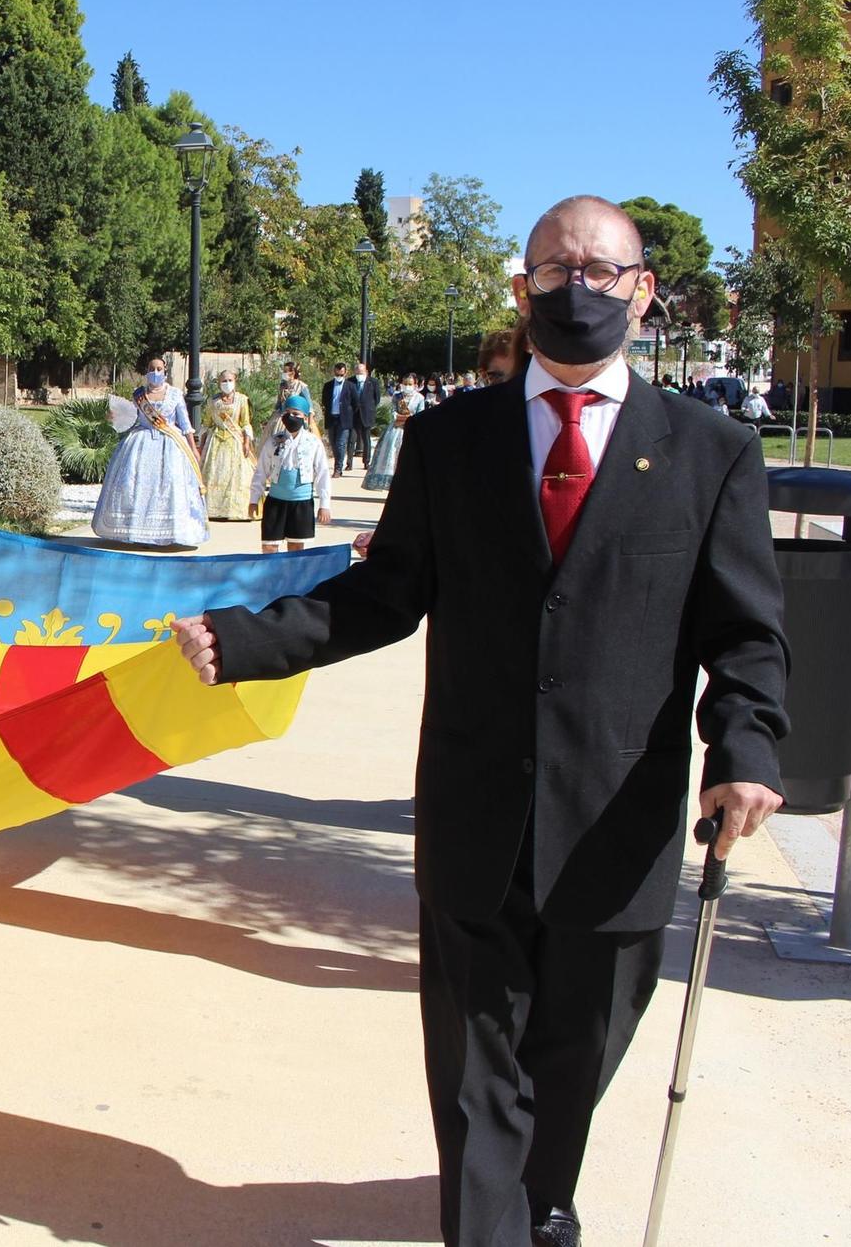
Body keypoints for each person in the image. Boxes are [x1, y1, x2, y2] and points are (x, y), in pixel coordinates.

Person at [172, 196, 788, 1247]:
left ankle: (541, 1199)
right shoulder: (448, 439)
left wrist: (743, 752)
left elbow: (743, 632)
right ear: (520, 290)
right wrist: (248, 640)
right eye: (552, 269)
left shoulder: (709, 451)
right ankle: (497, 1228)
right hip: (473, 814)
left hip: (614, 819)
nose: (575, 287)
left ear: (642, 293)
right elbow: (387, 591)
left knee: (573, 1055)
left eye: (600, 269)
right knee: (472, 1077)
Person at [92, 356, 210, 547]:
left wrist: (192, 447)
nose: (155, 372)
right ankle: (138, 531)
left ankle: (170, 533)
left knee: (170, 484)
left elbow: (185, 423)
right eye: (151, 368)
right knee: (135, 484)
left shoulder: (174, 394)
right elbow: (133, 419)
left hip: (170, 444)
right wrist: (115, 417)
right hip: (141, 442)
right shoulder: (138, 394)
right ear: (146, 371)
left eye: (159, 369)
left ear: (165, 371)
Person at [250, 407, 332, 552]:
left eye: (296, 414)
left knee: (296, 546)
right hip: (276, 502)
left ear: (305, 418)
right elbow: (261, 471)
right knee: (269, 546)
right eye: (287, 413)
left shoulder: (313, 442)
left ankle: (292, 575)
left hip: (301, 503)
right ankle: (272, 574)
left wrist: (324, 504)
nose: (291, 416)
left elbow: (322, 473)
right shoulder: (273, 441)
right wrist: (254, 499)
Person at [199, 369, 255, 521]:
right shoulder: (213, 401)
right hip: (216, 440)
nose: (227, 383)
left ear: (235, 381)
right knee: (214, 473)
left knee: (236, 476)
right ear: (218, 383)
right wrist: (201, 445)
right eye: (224, 381)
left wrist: (246, 442)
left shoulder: (242, 400)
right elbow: (207, 423)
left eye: (230, 380)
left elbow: (245, 423)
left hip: (235, 441)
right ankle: (213, 510)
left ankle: (236, 510)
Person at [363, 372, 425, 492]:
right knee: (390, 455)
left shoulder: (419, 398)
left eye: (410, 384)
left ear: (415, 384)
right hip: (395, 429)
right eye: (405, 383)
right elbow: (392, 411)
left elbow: (420, 413)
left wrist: (410, 418)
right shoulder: (397, 396)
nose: (407, 386)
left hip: (411, 430)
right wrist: (397, 416)